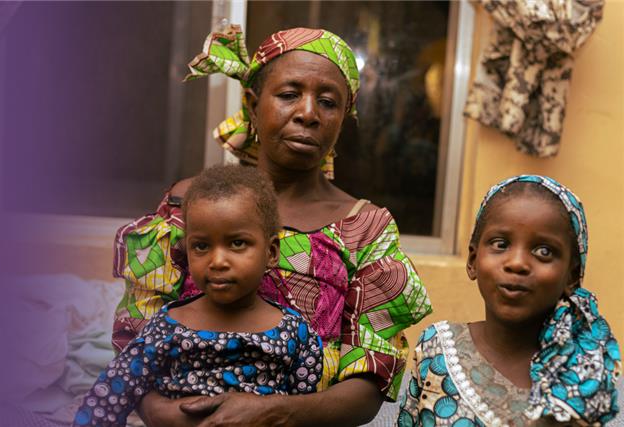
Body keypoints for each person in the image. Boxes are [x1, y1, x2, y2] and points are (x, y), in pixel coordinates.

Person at [113, 25, 432, 426]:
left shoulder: (365, 228)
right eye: (288, 94)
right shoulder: (192, 204)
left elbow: (370, 381)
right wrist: (160, 412)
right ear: (252, 102)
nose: (308, 113)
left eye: (329, 102)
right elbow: (137, 334)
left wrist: (273, 414)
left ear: (343, 119)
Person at [74, 165, 323, 427]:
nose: (217, 261)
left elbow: (301, 409)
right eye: (201, 246)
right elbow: (113, 391)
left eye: (237, 243)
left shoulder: (295, 331)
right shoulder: (168, 325)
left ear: (271, 252)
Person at [397, 175, 621, 426]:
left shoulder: (579, 370)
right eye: (501, 244)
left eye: (544, 251)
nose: (517, 263)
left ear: (571, 275)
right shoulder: (437, 346)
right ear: (473, 260)